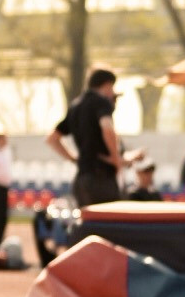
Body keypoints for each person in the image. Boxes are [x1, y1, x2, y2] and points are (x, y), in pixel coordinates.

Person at [46, 67, 129, 207]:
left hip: (82, 179)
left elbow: (52, 139)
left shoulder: (75, 106)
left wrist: (74, 158)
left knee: (89, 225)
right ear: (108, 84)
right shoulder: (101, 102)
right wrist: (116, 159)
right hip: (101, 178)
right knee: (108, 225)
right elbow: (107, 129)